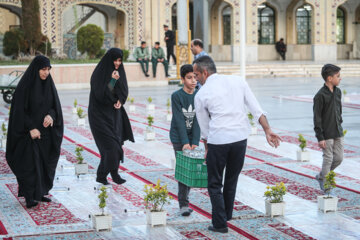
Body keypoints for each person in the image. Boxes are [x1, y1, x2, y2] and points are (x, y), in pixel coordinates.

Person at [193, 56, 281, 233]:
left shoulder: (201, 94)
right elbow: (256, 108)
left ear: (205, 72)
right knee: (231, 179)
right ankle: (227, 215)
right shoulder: (238, 81)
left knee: (215, 183)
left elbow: (204, 128)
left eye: (196, 75)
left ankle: (219, 224)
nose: (196, 79)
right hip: (240, 139)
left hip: (218, 141)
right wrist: (267, 130)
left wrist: (207, 149)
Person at [6, 55, 64, 209]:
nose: (46, 73)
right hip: (28, 134)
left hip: (45, 133)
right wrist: (31, 127)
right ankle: (29, 195)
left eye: (48, 69)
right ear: (36, 69)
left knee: (44, 163)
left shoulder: (49, 86)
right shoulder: (26, 86)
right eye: (43, 69)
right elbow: (19, 111)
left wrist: (50, 116)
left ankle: (40, 192)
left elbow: (55, 106)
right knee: (30, 165)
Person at [88, 48, 134, 186]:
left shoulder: (120, 72)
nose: (118, 63)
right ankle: (101, 175)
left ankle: (114, 174)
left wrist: (120, 99)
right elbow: (101, 95)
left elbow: (123, 89)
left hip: (114, 114)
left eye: (120, 60)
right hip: (99, 115)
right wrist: (113, 81)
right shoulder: (99, 74)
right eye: (115, 60)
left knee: (117, 144)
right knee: (111, 147)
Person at [170, 64, 200, 217]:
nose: (193, 80)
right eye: (189, 78)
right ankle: (183, 204)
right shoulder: (177, 96)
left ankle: (185, 200)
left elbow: (199, 120)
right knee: (184, 169)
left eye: (195, 77)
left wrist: (194, 141)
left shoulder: (200, 94)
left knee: (192, 169)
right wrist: (184, 143)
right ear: (182, 79)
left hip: (192, 138)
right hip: (178, 137)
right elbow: (179, 119)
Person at [314, 64, 344, 192]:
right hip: (326, 134)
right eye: (338, 76)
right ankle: (326, 186)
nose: (340, 78)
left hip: (338, 131)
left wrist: (339, 122)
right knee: (328, 158)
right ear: (329, 78)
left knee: (339, 158)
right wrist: (320, 137)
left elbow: (339, 110)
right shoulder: (320, 95)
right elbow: (317, 118)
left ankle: (321, 175)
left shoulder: (338, 92)